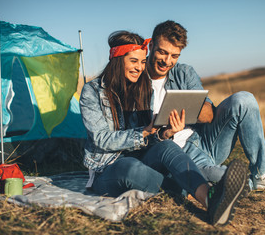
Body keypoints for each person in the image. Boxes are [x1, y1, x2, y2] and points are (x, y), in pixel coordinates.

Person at [79, 30, 248, 225]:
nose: (140, 68)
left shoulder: (142, 87)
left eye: (143, 62)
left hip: (142, 158)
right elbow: (101, 139)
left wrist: (165, 133)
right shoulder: (92, 92)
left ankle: (211, 200)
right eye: (134, 61)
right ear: (117, 60)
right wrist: (142, 132)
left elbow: (149, 139)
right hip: (108, 167)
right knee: (131, 168)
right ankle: (193, 185)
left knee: (168, 147)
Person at [146, 20, 265, 190]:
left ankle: (263, 172)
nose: (167, 61)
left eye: (174, 56)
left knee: (244, 99)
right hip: (178, 154)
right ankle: (235, 180)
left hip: (204, 141)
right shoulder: (136, 79)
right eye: (162, 52)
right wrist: (167, 131)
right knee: (240, 182)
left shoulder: (184, 72)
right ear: (151, 46)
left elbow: (209, 115)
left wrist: (181, 108)